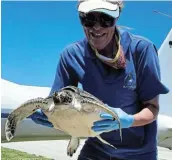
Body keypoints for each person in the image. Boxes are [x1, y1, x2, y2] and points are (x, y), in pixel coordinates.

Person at [30, 0, 169, 159]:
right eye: (89, 18)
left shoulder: (141, 49)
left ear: (116, 17)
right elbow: (56, 102)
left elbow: (153, 108)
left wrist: (129, 121)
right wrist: (45, 113)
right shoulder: (71, 55)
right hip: (96, 148)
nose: (96, 27)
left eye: (105, 18)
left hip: (140, 153)